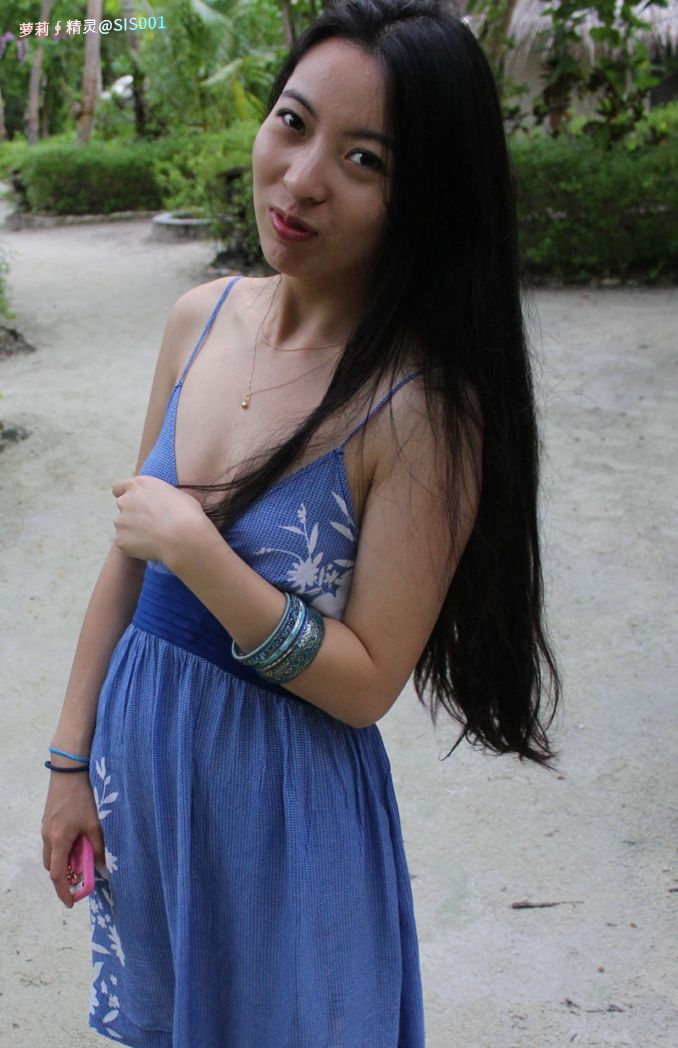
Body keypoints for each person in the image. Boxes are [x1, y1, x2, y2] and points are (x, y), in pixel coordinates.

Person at [41, 1, 560, 1045]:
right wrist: (67, 766)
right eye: (293, 121)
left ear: (426, 196)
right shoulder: (199, 318)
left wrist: (198, 550)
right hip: (152, 778)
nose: (303, 177)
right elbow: (128, 560)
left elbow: (366, 683)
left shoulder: (420, 408)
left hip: (285, 808)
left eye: (365, 159)